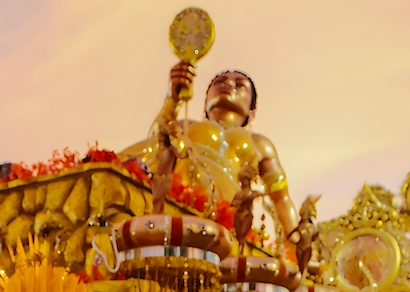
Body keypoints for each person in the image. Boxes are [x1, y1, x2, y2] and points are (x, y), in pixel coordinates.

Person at [120, 64, 299, 247]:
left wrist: (295, 240)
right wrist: (172, 99)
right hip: (181, 205)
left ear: (251, 111)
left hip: (229, 224)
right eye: (219, 82)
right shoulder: (186, 126)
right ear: (206, 101)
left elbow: (281, 199)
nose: (228, 83)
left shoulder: (260, 144)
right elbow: (156, 145)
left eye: (239, 84)